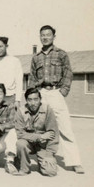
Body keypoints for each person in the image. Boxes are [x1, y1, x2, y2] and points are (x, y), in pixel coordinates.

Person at [28, 25, 85, 174]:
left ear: (54, 36)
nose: (45, 37)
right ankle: (44, 158)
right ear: (39, 37)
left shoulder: (61, 54)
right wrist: (32, 95)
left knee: (65, 128)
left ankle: (75, 162)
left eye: (48, 34)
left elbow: (68, 73)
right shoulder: (36, 57)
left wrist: (63, 91)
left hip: (55, 93)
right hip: (41, 94)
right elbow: (32, 78)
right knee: (40, 127)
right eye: (42, 35)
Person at [11, 88, 59, 176]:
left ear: (40, 99)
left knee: (50, 172)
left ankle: (43, 164)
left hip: (43, 145)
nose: (33, 103)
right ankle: (24, 168)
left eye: (36, 99)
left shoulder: (47, 109)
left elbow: (53, 134)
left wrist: (49, 154)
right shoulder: (20, 111)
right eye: (30, 100)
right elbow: (20, 133)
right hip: (28, 143)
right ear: (26, 100)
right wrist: (40, 137)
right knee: (20, 143)